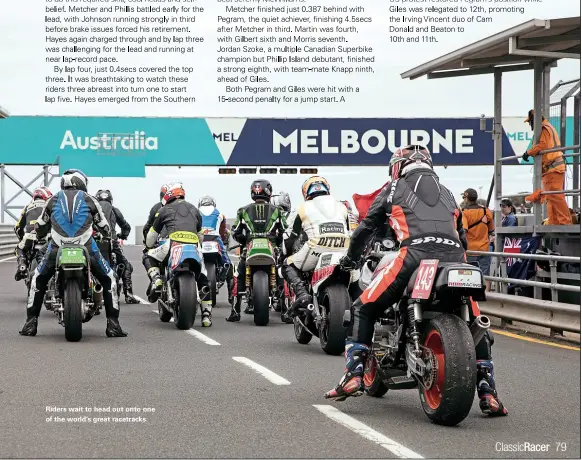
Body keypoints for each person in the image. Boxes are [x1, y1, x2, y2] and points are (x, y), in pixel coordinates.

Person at [324, 145, 507, 417]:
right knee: (476, 322)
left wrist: (350, 260)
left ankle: (353, 375)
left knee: (364, 306)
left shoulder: (394, 188)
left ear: (398, 166)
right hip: (456, 259)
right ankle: (488, 392)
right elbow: (462, 236)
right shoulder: (447, 193)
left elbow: (365, 229)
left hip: (413, 255)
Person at [20, 169, 127, 337]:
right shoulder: (90, 199)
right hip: (87, 247)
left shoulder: (52, 199)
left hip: (56, 248)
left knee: (37, 279)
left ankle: (30, 323)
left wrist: (42, 235)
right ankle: (113, 324)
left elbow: (40, 226)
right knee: (110, 278)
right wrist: (105, 236)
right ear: (82, 183)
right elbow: (105, 227)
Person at [143, 183, 213, 327]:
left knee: (148, 256)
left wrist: (149, 246)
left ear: (168, 195)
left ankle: (156, 279)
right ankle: (206, 315)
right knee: (203, 277)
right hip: (193, 246)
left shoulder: (164, 210)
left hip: (172, 243)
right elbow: (200, 236)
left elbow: (151, 237)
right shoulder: (194, 209)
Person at [282, 176, 351, 316]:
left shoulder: (302, 208)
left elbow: (290, 238)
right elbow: (348, 231)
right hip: (343, 247)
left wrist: (287, 254)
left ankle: (302, 295)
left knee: (287, 264)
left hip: (317, 246)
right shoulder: (342, 206)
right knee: (355, 278)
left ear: (306, 193)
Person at [226, 179, 286, 322]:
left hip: (249, 248)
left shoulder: (242, 210)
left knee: (237, 274)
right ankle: (286, 311)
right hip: (272, 249)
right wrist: (278, 242)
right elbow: (284, 230)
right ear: (268, 192)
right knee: (283, 274)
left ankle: (235, 311)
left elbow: (235, 231)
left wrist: (243, 241)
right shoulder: (278, 211)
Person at [523, 110, 572, 225]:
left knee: (555, 195)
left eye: (530, 122)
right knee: (551, 196)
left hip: (553, 168)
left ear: (534, 121)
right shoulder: (548, 127)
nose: (530, 125)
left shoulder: (544, 128)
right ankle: (554, 222)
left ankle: (564, 222)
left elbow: (543, 145)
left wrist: (529, 152)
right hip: (554, 167)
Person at [95, 189, 139, 304]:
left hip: (95, 242)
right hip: (112, 241)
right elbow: (126, 227)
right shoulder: (114, 210)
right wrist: (123, 235)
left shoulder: (92, 209)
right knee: (126, 266)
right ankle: (129, 294)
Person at [198, 195, 234, 302]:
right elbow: (222, 232)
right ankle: (231, 294)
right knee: (227, 263)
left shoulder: (195, 212)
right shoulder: (220, 214)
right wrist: (222, 239)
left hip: (200, 239)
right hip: (215, 238)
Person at [14, 186, 53, 281]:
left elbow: (18, 228)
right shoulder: (50, 206)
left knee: (19, 248)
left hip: (29, 236)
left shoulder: (27, 208)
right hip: (48, 236)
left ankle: (22, 265)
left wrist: (22, 239)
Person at [462, 188, 494, 291]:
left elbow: (464, 231)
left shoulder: (465, 212)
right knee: (485, 275)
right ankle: (486, 296)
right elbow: (491, 230)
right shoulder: (486, 211)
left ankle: (473, 300)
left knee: (470, 275)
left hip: (471, 250)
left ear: (467, 198)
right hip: (484, 249)